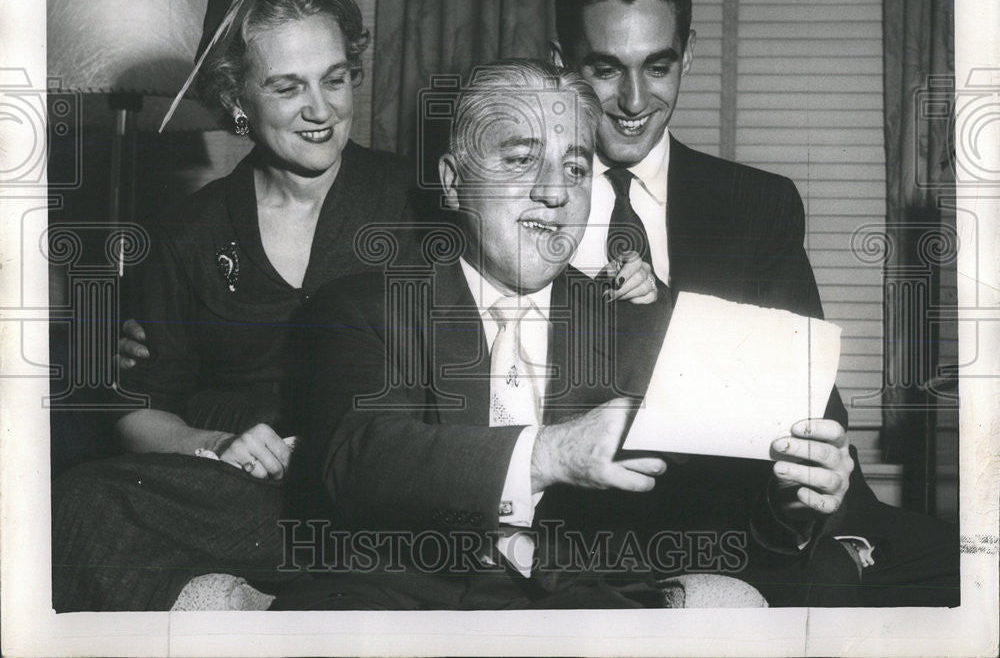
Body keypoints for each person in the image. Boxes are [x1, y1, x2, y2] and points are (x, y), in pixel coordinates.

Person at [274, 59, 845, 610]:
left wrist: (787, 502)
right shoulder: (362, 308)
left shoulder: (643, 323)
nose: (556, 192)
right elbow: (355, 460)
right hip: (399, 610)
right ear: (452, 182)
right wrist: (551, 453)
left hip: (588, 617)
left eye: (575, 168)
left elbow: (714, 525)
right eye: (521, 160)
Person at [549, 0, 959, 606]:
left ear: (690, 54)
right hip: (595, 537)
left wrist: (818, 483)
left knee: (965, 571)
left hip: (754, 521)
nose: (632, 99)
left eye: (658, 66)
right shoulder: (525, 199)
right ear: (561, 63)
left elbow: (813, 398)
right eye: (603, 69)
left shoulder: (756, 203)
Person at [51, 0, 416, 611]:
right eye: (287, 87)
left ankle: (278, 600)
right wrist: (217, 446)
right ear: (236, 95)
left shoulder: (419, 203)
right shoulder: (193, 229)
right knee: (84, 503)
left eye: (335, 78)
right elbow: (139, 410)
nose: (321, 109)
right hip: (243, 500)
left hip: (378, 483)